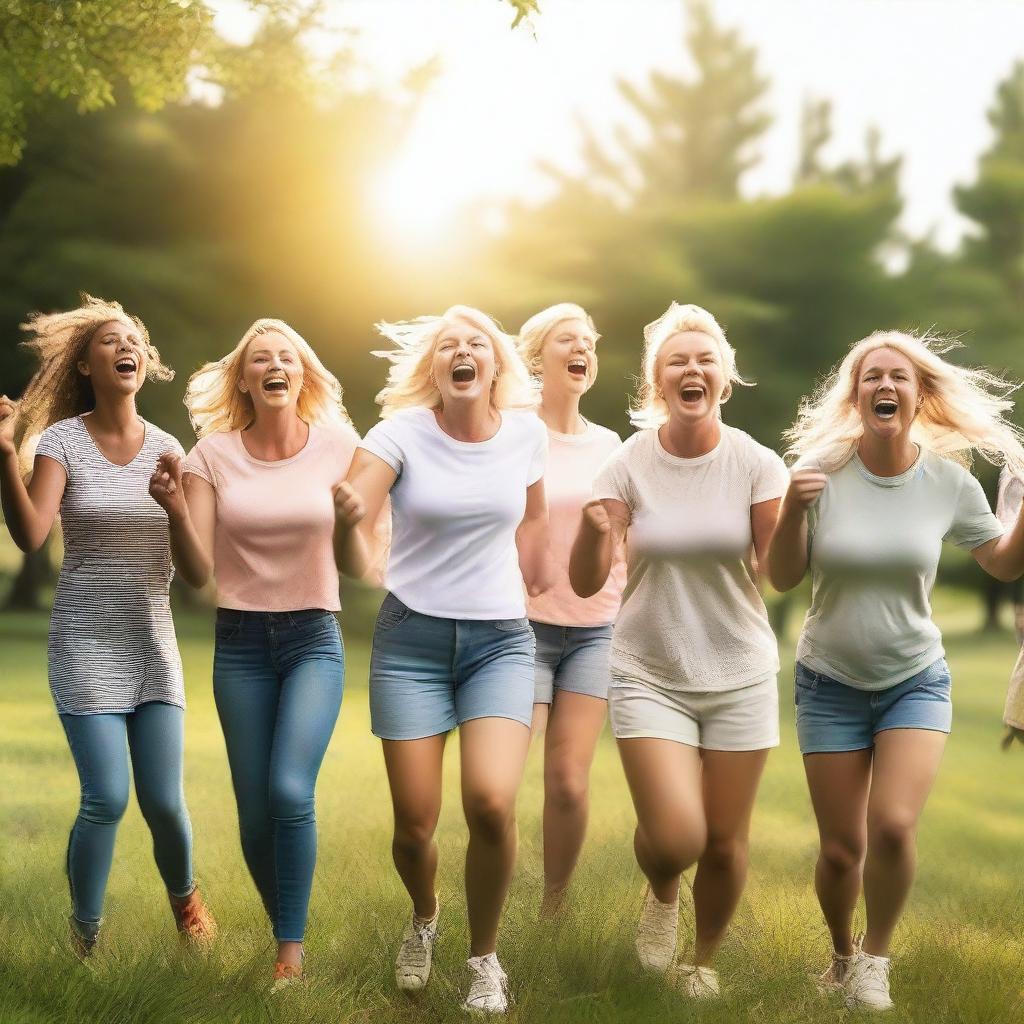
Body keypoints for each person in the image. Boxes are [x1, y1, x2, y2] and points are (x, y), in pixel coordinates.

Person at [767, 329, 1024, 1012]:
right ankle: (841, 954)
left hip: (914, 677)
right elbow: (784, 576)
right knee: (841, 849)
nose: (884, 386)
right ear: (857, 395)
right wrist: (793, 507)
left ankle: (876, 961)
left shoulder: (947, 482)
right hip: (828, 681)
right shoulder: (823, 469)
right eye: (871, 376)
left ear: (919, 396)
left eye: (899, 377)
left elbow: (1002, 561)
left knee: (893, 828)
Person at [333, 305, 548, 1014]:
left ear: (494, 366)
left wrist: (536, 565)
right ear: (435, 369)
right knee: (414, 826)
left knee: (490, 802)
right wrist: (345, 518)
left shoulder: (525, 434)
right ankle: (424, 917)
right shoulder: (398, 434)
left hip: (502, 642)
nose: (461, 352)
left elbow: (534, 512)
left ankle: (484, 958)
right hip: (411, 643)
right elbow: (357, 521)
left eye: (475, 344)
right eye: (448, 346)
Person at [570, 302, 787, 1000]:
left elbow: (779, 572)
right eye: (676, 361)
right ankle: (663, 889)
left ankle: (704, 960)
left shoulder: (756, 463)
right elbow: (584, 582)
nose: (691, 370)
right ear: (654, 382)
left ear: (723, 378)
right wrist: (590, 531)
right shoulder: (626, 463)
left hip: (740, 672)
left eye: (704, 360)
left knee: (724, 840)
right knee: (676, 839)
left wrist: (802, 513)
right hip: (649, 670)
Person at [0, 295, 215, 956]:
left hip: (151, 642)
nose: (126, 347)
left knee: (165, 805)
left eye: (133, 341)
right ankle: (84, 939)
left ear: (145, 364)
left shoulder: (172, 447)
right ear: (87, 365)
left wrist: (177, 508)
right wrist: (7, 453)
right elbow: (32, 534)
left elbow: (200, 573)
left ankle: (185, 902)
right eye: (109, 341)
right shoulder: (63, 441)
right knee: (107, 799)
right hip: (84, 642)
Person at [175, 318, 359, 990]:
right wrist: (174, 509)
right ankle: (287, 926)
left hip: (314, 637)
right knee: (254, 817)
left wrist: (358, 523)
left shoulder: (340, 448)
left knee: (288, 790)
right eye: (260, 358)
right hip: (241, 643)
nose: (275, 365)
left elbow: (368, 549)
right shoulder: (210, 457)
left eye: (287, 356)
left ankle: (290, 953)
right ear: (245, 379)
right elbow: (195, 574)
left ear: (302, 374)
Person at [515, 303, 625, 916]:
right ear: (538, 357)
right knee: (501, 778)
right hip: (520, 627)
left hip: (594, 631)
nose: (582, 350)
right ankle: (493, 895)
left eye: (589, 342)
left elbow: (623, 538)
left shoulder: (610, 446)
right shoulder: (510, 432)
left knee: (568, 781)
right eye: (567, 339)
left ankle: (552, 904)